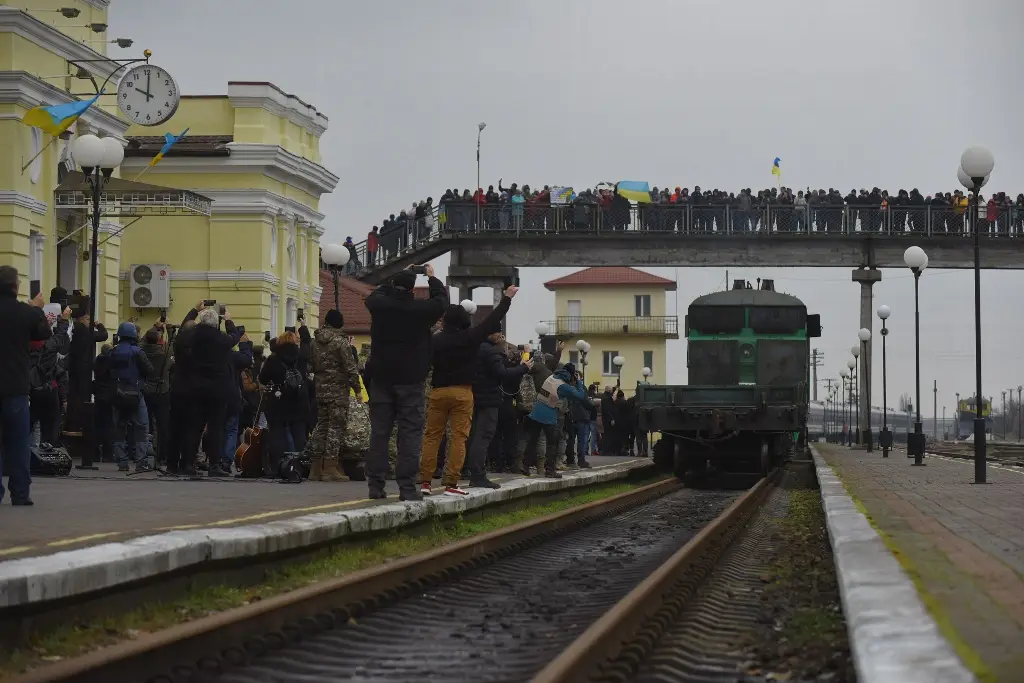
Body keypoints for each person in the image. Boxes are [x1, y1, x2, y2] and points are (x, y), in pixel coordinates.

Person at [419, 289, 517, 497]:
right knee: (458, 438)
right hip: (463, 393)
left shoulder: (435, 341)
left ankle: (425, 482)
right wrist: (506, 298)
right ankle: (451, 483)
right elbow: (493, 319)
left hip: (438, 392)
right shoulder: (471, 337)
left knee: (432, 436)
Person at [364, 264, 447, 501]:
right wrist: (432, 278)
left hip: (381, 378)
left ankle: (376, 485)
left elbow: (374, 294)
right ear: (412, 288)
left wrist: (398, 275)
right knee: (410, 433)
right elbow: (441, 302)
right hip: (411, 379)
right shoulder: (420, 310)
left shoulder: (379, 306)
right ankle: (407, 488)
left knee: (380, 433)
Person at [0, 266, 52, 505]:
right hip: (16, 388)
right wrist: (36, 309)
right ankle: (20, 493)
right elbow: (44, 333)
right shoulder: (24, 312)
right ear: (16, 286)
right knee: (19, 442)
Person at [468, 324, 532, 489]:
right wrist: (523, 368)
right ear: (493, 334)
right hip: (488, 399)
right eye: (499, 333)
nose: (501, 336)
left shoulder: (476, 348)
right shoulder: (489, 351)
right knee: (483, 437)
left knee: (476, 435)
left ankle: (472, 471)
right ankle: (478, 475)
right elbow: (502, 373)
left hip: (475, 397)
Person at [181, 307, 242, 477]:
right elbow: (234, 338)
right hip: (217, 390)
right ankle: (214, 465)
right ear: (216, 324)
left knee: (194, 428)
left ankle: (188, 464)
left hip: (195, 388)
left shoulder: (192, 337)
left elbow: (182, 333)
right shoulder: (220, 339)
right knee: (215, 428)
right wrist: (229, 321)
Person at [307, 309, 362, 482]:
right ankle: (330, 467)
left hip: (320, 390)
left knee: (321, 426)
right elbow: (350, 367)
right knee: (335, 428)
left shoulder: (314, 341)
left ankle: (315, 468)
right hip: (338, 392)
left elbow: (309, 366)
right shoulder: (341, 342)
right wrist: (358, 389)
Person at [518, 362, 589, 479]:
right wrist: (579, 383)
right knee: (552, 443)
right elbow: (580, 396)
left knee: (532, 440)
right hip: (548, 416)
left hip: (535, 412)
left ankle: (525, 466)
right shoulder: (564, 386)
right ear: (571, 375)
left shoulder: (551, 377)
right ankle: (550, 470)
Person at [259, 329, 310, 476]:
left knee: (277, 433)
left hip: (279, 400)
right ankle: (301, 467)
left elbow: (262, 379)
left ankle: (279, 467)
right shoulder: (302, 356)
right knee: (300, 435)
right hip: (299, 401)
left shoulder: (273, 359)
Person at [108, 322, 155, 472]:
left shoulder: (113, 352)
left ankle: (122, 461)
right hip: (135, 393)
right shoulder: (137, 352)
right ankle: (141, 462)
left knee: (119, 426)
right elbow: (149, 370)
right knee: (141, 426)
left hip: (118, 393)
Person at [29, 305, 72, 447]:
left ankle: (28, 457)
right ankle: (44, 456)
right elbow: (60, 336)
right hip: (48, 391)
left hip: (28, 391)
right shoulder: (50, 345)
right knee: (48, 429)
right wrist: (64, 320)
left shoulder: (22, 344)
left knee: (28, 428)